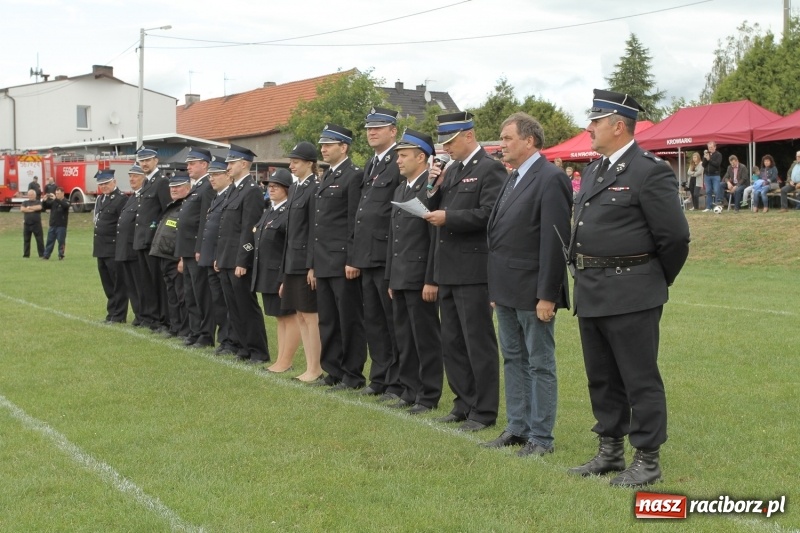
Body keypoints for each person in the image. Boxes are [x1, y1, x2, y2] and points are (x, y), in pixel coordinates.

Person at [568, 89, 690, 486]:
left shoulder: (649, 170)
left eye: (596, 121)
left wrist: (653, 277)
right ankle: (610, 450)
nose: (589, 128)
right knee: (601, 376)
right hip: (592, 289)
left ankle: (648, 459)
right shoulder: (593, 170)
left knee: (639, 377)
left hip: (632, 291)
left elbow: (674, 238)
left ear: (618, 126)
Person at [482, 112, 572, 456]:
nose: (501, 145)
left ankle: (541, 438)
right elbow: (499, 236)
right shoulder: (513, 177)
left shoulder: (550, 178)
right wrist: (495, 290)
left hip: (533, 292)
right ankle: (517, 428)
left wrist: (547, 295)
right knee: (513, 360)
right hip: (505, 290)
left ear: (529, 141)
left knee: (539, 363)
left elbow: (554, 242)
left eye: (507, 139)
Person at [424, 111, 505, 432]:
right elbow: (434, 208)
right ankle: (463, 402)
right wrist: (432, 185)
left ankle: (484, 410)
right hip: (448, 267)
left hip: (474, 269)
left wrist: (450, 218)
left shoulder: (490, 168)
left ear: (469, 135)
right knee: (452, 340)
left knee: (477, 342)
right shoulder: (451, 169)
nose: (446, 148)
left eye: (451, 141)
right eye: (443, 143)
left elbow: (490, 214)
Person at [385, 129, 443, 414]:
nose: (399, 161)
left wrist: (431, 278)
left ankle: (428, 394)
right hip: (401, 274)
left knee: (425, 338)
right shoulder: (400, 189)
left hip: (420, 276)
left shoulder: (431, 188)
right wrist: (391, 276)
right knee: (404, 337)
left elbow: (434, 239)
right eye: (397, 155)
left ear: (422, 157)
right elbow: (394, 237)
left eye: (404, 155)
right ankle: (409, 389)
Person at [310, 124, 368, 386]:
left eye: (328, 144)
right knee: (329, 320)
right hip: (324, 260)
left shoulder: (353, 176)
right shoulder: (327, 175)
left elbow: (354, 221)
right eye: (322, 144)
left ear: (343, 147)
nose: (323, 148)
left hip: (342, 260)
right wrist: (312, 264)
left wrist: (352, 259)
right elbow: (319, 224)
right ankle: (333, 370)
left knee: (349, 320)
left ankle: (352, 373)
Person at [351, 107, 402, 399]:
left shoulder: (398, 161)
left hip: (386, 253)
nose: (371, 132)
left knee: (391, 321)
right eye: (369, 128)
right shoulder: (371, 163)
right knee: (373, 320)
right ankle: (380, 377)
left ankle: (396, 382)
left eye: (378, 128)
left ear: (393, 131)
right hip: (367, 254)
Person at [216, 144, 269, 364]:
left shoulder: (252, 190)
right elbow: (226, 228)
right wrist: (221, 257)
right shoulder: (233, 190)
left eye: (231, 162)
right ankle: (243, 347)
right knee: (233, 306)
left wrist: (243, 260)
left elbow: (250, 229)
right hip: (227, 257)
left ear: (244, 164)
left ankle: (258, 351)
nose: (227, 166)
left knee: (246, 306)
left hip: (239, 260)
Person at [280, 142, 323, 381]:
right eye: (291, 161)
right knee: (299, 315)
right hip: (292, 260)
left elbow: (313, 230)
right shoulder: (296, 188)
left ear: (309, 163)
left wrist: (312, 265)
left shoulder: (314, 188)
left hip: (304, 261)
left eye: (296, 161)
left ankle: (315, 367)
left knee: (310, 315)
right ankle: (309, 366)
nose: (292, 166)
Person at [252, 168, 301, 373]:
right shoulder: (270, 211)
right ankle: (281, 358)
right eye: (269, 186)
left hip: (279, 272)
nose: (271, 189)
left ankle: (286, 361)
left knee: (289, 316)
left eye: (276, 186)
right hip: (267, 272)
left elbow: (287, 246)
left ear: (287, 189)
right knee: (279, 317)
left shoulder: (288, 212)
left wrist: (284, 277)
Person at [176, 147, 216, 348]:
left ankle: (205, 334)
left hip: (196, 249)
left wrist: (200, 248)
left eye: (192, 163)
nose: (188, 166)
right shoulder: (197, 186)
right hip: (188, 249)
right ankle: (195, 330)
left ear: (205, 165)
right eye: (188, 163)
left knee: (201, 294)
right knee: (191, 293)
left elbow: (204, 220)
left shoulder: (207, 187)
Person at [198, 156, 238, 355]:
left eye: (215, 175)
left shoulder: (230, 195)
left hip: (221, 257)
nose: (211, 179)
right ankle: (224, 340)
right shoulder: (217, 196)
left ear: (227, 175)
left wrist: (217, 256)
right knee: (218, 302)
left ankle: (230, 341)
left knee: (227, 302)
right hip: (211, 257)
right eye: (210, 175)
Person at [133, 145, 171, 332]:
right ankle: (152, 317)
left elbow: (167, 211)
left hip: (154, 241)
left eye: (148, 160)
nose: (145, 163)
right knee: (146, 281)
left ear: (156, 160)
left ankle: (163, 320)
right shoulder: (147, 182)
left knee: (158, 282)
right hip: (142, 239)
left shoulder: (161, 182)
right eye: (142, 160)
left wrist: (156, 231)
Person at [93, 169, 129, 323]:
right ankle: (111, 313)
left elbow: (123, 225)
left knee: (118, 284)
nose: (104, 186)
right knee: (107, 284)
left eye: (106, 183)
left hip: (113, 248)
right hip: (101, 247)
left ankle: (119, 315)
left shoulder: (121, 199)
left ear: (114, 182)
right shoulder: (100, 199)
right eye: (101, 184)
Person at [116, 164, 147, 327]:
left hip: (135, 249)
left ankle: (144, 314)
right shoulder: (132, 197)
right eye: (130, 176)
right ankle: (138, 315)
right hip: (125, 249)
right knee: (131, 285)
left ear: (144, 178)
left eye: (135, 176)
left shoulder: (144, 197)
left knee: (140, 284)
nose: (131, 179)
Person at [41, 187, 70, 260]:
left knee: (61, 241)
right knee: (49, 241)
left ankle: (61, 255)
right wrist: (44, 201)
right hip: (52, 225)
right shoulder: (54, 202)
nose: (57, 195)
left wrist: (56, 199)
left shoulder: (66, 201)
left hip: (61, 226)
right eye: (56, 193)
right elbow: (45, 207)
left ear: (63, 193)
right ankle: (46, 255)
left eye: (58, 193)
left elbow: (65, 206)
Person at [20, 189, 44, 258]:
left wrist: (29, 208)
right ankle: (26, 255)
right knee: (26, 240)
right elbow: (22, 209)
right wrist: (33, 210)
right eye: (29, 195)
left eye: (32, 195)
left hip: (36, 224)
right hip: (27, 224)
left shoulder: (38, 201)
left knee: (39, 240)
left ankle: (42, 254)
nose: (30, 196)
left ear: (35, 195)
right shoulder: (25, 202)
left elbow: (39, 207)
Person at [702, 141, 722, 212]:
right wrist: (705, 158)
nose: (710, 148)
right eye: (709, 147)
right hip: (707, 175)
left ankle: (717, 206)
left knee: (716, 190)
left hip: (715, 175)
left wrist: (709, 160)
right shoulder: (706, 154)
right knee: (708, 191)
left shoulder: (718, 155)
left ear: (715, 147)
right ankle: (708, 207)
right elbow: (703, 165)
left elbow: (717, 164)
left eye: (711, 147)